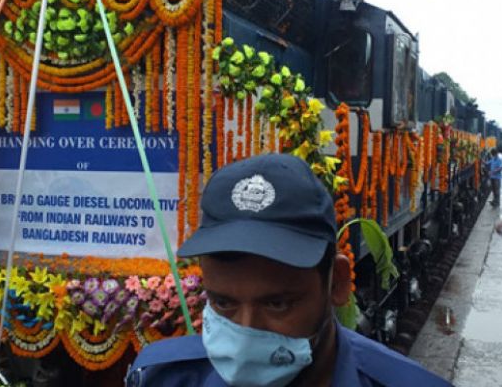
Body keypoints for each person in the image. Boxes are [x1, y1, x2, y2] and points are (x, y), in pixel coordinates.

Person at [125, 153, 451, 386]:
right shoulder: (158, 376)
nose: (245, 335)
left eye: (277, 304)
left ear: (336, 282)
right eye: (223, 304)